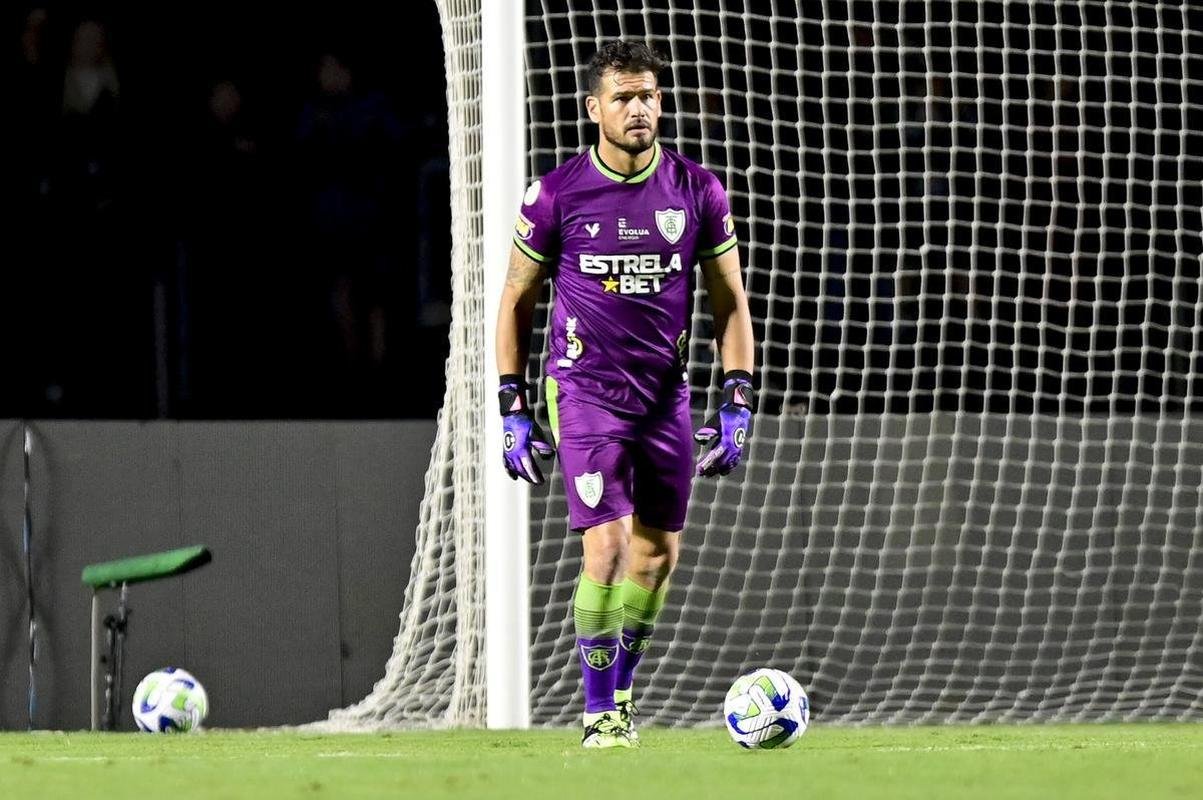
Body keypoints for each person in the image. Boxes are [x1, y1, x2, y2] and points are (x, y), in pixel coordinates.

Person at [494, 40, 756, 748]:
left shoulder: (697, 190)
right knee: (604, 549)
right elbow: (516, 301)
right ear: (593, 109)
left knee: (654, 557)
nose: (638, 109)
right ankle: (597, 712)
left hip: (664, 396)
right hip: (582, 390)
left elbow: (728, 299)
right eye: (622, 98)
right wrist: (511, 404)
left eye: (647, 96)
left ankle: (621, 691)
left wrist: (737, 396)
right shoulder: (555, 194)